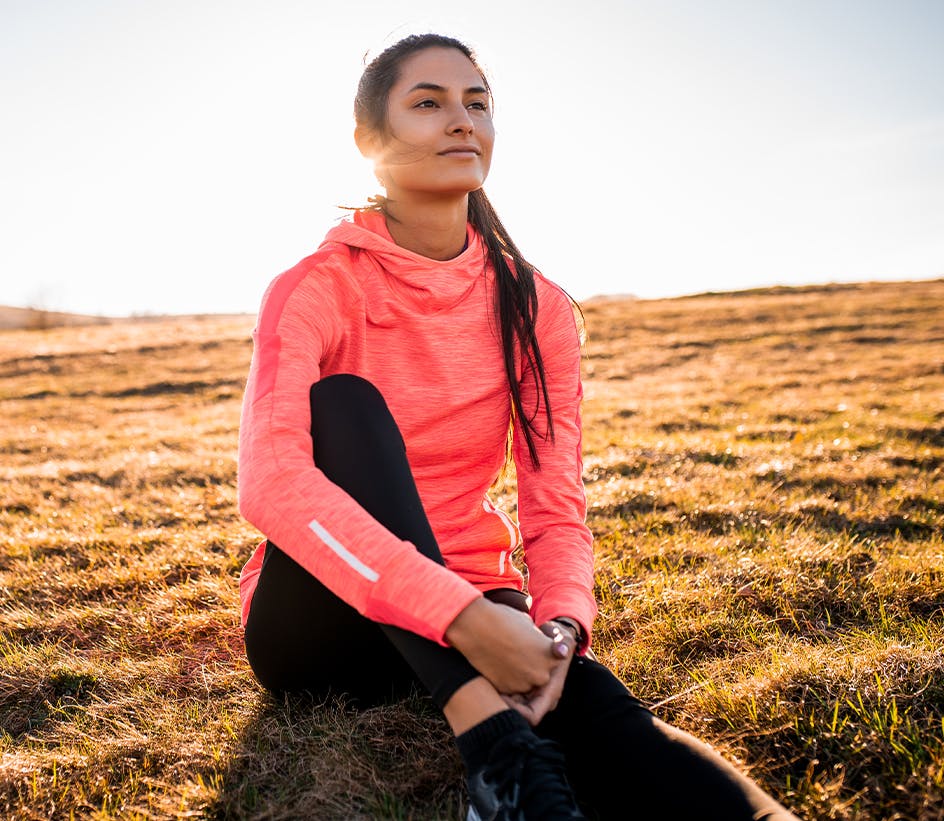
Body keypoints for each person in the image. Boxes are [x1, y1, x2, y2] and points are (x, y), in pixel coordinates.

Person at [237, 32, 799, 821]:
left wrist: (562, 626)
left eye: (476, 103)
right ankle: (490, 741)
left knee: (603, 710)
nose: (461, 121)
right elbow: (271, 483)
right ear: (370, 141)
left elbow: (553, 499)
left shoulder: (533, 304)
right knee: (346, 407)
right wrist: (463, 619)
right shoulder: (316, 287)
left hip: (479, 592)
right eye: (427, 103)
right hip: (323, 624)